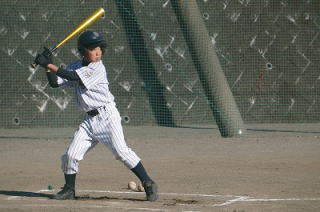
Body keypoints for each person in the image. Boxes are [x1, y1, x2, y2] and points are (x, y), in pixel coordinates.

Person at [34, 30, 158, 201]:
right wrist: (48, 65)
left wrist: (48, 64)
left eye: (100, 48)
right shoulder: (75, 65)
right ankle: (69, 189)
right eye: (93, 48)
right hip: (89, 120)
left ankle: (148, 182)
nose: (98, 52)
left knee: (121, 152)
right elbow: (55, 83)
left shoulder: (97, 68)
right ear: (83, 51)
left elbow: (71, 76)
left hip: (107, 116)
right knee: (70, 155)